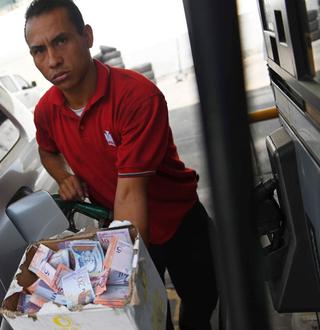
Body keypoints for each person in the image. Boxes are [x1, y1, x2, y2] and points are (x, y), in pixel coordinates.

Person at [23, 0, 218, 328]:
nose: (53, 60)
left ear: (86, 36)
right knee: (151, 316)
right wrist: (62, 175)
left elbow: (131, 191)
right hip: (123, 226)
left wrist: (116, 279)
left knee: (203, 297)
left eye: (61, 41)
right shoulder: (46, 110)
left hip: (177, 219)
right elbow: (47, 151)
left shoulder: (137, 97)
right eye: (39, 51)